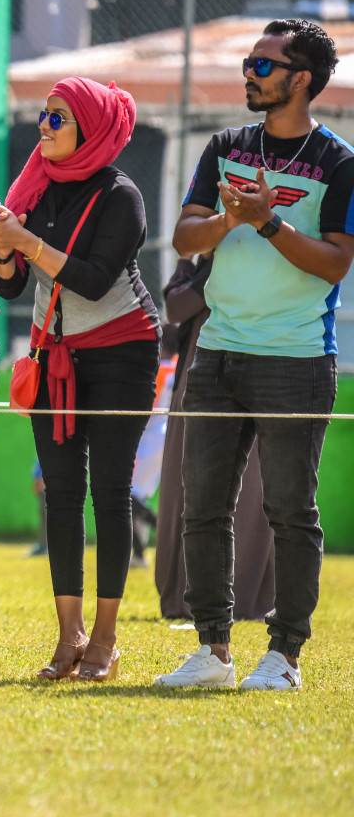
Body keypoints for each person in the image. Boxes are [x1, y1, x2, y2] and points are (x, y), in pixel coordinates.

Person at [158, 19, 352, 691]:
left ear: (301, 80)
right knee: (201, 506)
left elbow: (333, 264)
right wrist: (230, 220)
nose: (249, 73)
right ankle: (213, 652)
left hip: (296, 362)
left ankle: (286, 657)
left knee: (291, 511)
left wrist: (268, 222)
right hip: (214, 354)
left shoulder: (339, 161)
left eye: (263, 66)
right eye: (250, 62)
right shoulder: (225, 146)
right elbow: (186, 239)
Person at [0, 77, 159, 683]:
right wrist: (6, 254)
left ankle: (105, 638)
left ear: (91, 126)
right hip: (53, 351)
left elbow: (91, 278)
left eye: (58, 118)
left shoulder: (121, 195)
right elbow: (9, 289)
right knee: (60, 494)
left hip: (121, 352)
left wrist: (24, 239)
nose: (44, 127)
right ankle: (68, 635)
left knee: (109, 493)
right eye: (42, 116)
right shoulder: (37, 189)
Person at [152, 255, 276, 622]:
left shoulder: (264, 252)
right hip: (198, 379)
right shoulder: (198, 261)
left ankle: (242, 596)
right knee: (186, 486)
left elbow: (181, 303)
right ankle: (186, 595)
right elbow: (177, 310)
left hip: (253, 373)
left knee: (251, 490)